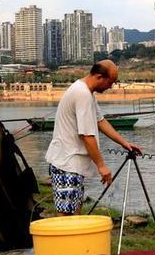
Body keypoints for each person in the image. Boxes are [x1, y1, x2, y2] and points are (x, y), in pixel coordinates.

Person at [45, 60, 141, 216]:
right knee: (66, 218)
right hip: (68, 163)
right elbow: (86, 135)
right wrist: (101, 166)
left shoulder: (86, 92)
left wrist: (124, 143)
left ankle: (77, 241)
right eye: (110, 82)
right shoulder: (82, 94)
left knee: (75, 213)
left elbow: (100, 121)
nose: (111, 87)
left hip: (71, 163)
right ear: (99, 77)